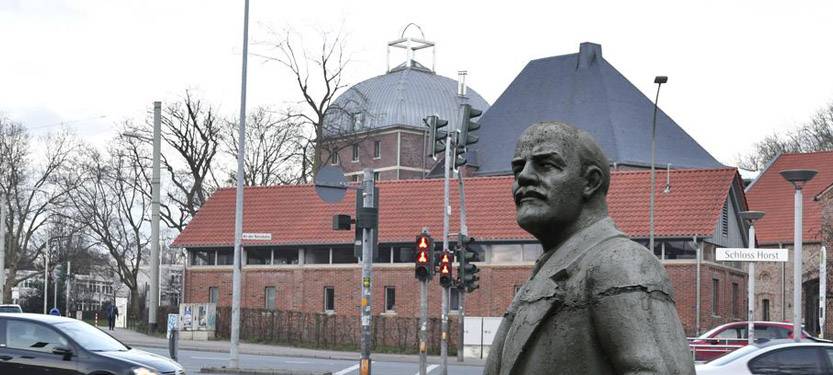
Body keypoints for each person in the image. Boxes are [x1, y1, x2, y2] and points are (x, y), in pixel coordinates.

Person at [483, 122, 694, 375]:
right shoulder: (547, 271)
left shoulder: (619, 262)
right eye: (518, 168)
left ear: (590, 181)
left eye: (546, 165)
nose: (523, 177)